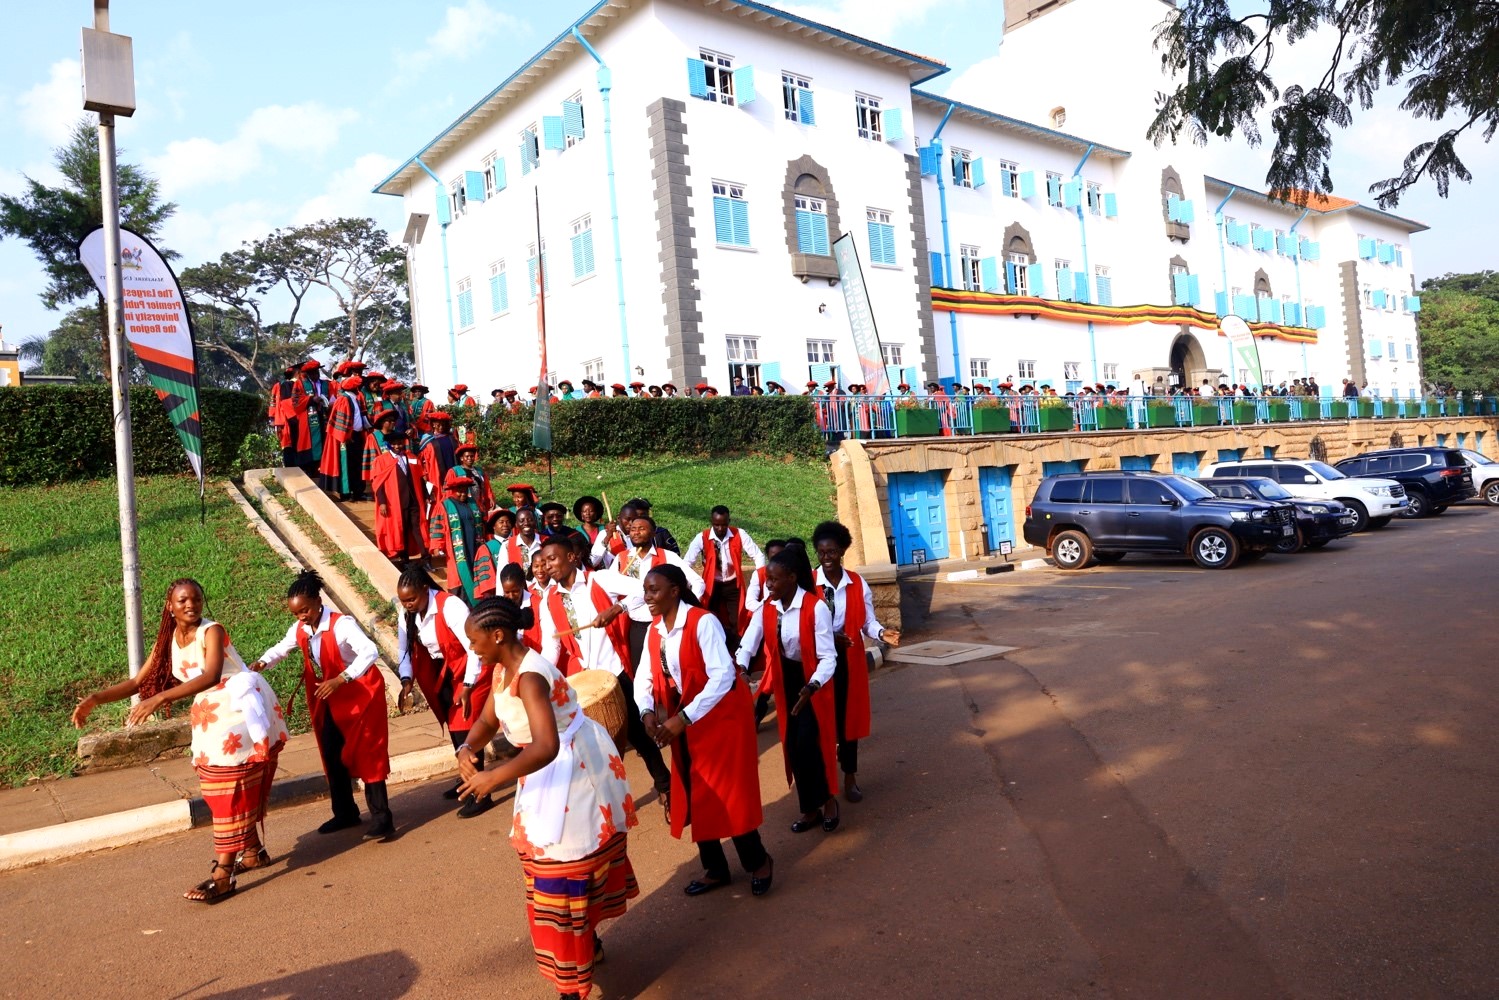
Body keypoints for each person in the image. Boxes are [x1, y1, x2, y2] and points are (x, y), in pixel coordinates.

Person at [455, 597, 638, 1000]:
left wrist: (492, 779)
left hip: (570, 775)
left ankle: (572, 984)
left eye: (474, 640)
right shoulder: (504, 669)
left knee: (564, 877)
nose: (472, 647)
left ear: (498, 635)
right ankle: (584, 948)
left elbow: (545, 747)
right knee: (550, 873)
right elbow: (488, 719)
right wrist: (467, 747)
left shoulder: (531, 676)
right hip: (544, 776)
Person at [72, 578, 288, 902]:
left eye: (196, 599)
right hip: (208, 720)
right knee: (219, 789)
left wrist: (158, 699)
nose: (191, 605)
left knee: (228, 790)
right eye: (183, 601)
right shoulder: (168, 638)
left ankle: (224, 873)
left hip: (235, 713)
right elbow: (137, 681)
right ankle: (253, 851)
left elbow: (212, 675)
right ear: (169, 606)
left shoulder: (211, 630)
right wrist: (94, 698)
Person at [638, 565, 773, 897]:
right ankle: (715, 868)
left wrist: (682, 718)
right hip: (685, 718)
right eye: (645, 590)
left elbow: (723, 677)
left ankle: (758, 861)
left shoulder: (702, 622)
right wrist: (645, 712)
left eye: (654, 590)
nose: (647, 597)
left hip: (721, 717)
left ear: (675, 590)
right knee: (695, 790)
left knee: (727, 791)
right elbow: (644, 676)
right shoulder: (655, 630)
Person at [251, 571, 394, 841]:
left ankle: (382, 818)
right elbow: (283, 647)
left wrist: (342, 678)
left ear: (318, 600)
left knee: (368, 753)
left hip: (361, 695)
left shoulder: (342, 625)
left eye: (305, 610)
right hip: (333, 699)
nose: (302, 617)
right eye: (296, 613)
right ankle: (345, 812)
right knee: (331, 752)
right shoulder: (302, 629)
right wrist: (262, 662)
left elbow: (370, 651)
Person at [537, 535, 674, 799]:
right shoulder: (548, 599)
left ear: (571, 557)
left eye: (552, 559)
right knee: (595, 748)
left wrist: (618, 608)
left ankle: (665, 786)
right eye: (544, 561)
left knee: (640, 737)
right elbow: (551, 645)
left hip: (615, 674)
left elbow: (643, 588)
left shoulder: (598, 579)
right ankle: (610, 802)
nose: (547, 566)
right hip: (585, 682)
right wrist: (540, 675)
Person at [735, 545, 840, 834]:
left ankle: (828, 799)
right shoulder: (767, 607)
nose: (768, 585)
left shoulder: (815, 607)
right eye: (767, 580)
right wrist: (741, 667)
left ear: (792, 577)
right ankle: (809, 808)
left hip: (812, 680)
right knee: (792, 746)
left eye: (774, 580)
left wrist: (813, 686)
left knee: (811, 743)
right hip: (786, 680)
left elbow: (828, 656)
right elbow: (748, 642)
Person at [811, 520, 900, 804]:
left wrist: (881, 632)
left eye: (832, 552)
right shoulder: (809, 584)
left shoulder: (856, 582)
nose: (826, 558)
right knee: (821, 724)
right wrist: (828, 638)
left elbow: (867, 621)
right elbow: (803, 625)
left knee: (848, 722)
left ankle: (850, 777)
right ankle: (824, 785)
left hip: (849, 662)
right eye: (821, 553)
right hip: (818, 664)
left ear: (842, 552)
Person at [395, 565, 494, 817]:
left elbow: (473, 646)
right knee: (453, 726)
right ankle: (465, 779)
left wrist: (469, 685)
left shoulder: (451, 607)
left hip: (471, 666)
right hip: (443, 671)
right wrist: (406, 679)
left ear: (425, 590)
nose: (407, 604)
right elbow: (404, 650)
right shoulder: (407, 614)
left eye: (412, 599)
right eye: (404, 600)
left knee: (466, 728)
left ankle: (480, 793)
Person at [683, 505, 766, 654]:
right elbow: (687, 562)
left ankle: (738, 654)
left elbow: (758, 555)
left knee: (737, 620)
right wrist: (690, 582)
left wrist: (759, 578)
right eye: (716, 525)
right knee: (711, 618)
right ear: (711, 521)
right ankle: (715, 652)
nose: (720, 528)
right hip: (712, 585)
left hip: (733, 584)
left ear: (729, 521)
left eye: (724, 524)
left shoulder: (739, 534)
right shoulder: (702, 537)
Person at [370, 429, 429, 566]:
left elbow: (420, 479)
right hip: (395, 502)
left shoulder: (412, 457)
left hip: (414, 500)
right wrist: (382, 503)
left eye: (400, 443)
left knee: (418, 528)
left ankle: (426, 558)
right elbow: (378, 484)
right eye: (395, 444)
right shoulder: (381, 461)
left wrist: (426, 495)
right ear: (389, 444)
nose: (398, 446)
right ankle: (405, 559)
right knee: (401, 529)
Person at [429, 468, 487, 604]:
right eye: (459, 491)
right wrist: (437, 546)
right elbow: (437, 528)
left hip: (476, 546)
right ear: (452, 490)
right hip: (457, 549)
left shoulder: (474, 503)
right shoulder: (444, 506)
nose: (462, 494)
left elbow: (483, 524)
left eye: (465, 490)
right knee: (459, 578)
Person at [319, 374, 370, 501]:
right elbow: (340, 422)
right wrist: (345, 437)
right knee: (347, 466)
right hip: (347, 438)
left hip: (357, 436)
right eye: (358, 386)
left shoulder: (355, 399)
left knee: (358, 465)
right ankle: (346, 493)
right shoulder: (344, 399)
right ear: (354, 388)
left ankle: (358, 492)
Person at [418, 412, 458, 499]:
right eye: (438, 424)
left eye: (443, 424)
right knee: (439, 496)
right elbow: (423, 460)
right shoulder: (427, 439)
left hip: (453, 470)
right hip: (435, 473)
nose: (441, 427)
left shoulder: (451, 437)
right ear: (433, 424)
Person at [452, 442, 495, 519]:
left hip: (479, 505)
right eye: (467, 456)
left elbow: (487, 486)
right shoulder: (454, 471)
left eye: (472, 456)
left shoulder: (479, 471)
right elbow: (449, 491)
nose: (470, 458)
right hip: (463, 505)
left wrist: (490, 498)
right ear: (461, 458)